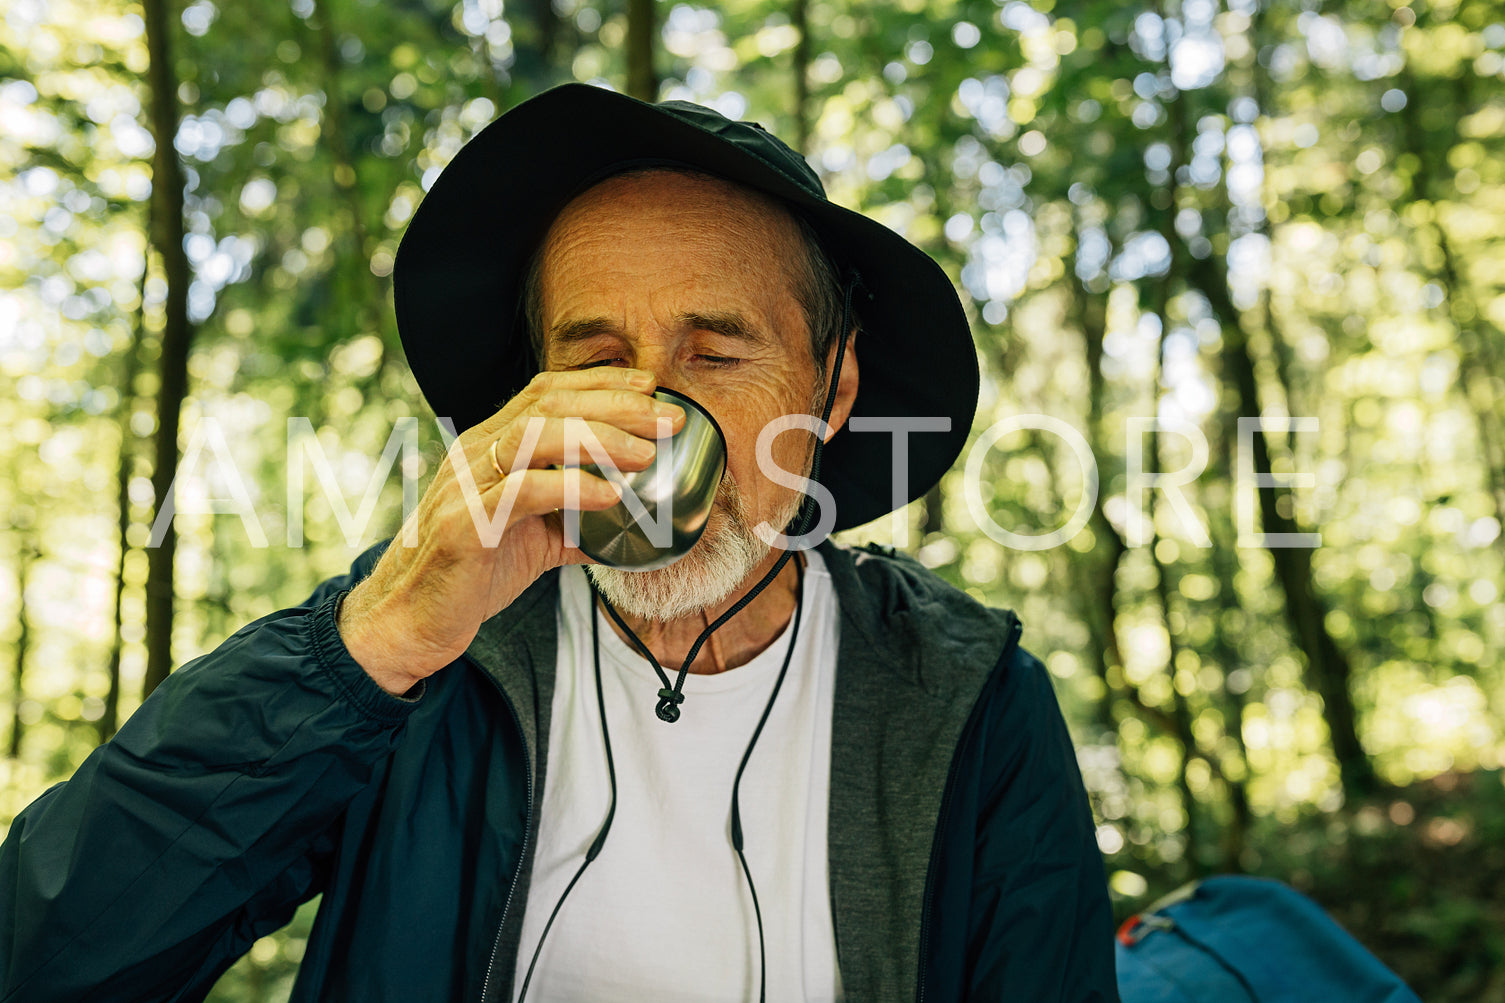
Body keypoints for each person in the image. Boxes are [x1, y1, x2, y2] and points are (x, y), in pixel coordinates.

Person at [0, 84, 1116, 1002]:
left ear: (832, 389)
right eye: (592, 358)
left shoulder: (968, 700)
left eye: (716, 354)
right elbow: (45, 962)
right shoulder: (423, 654)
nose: (645, 415)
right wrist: (368, 645)